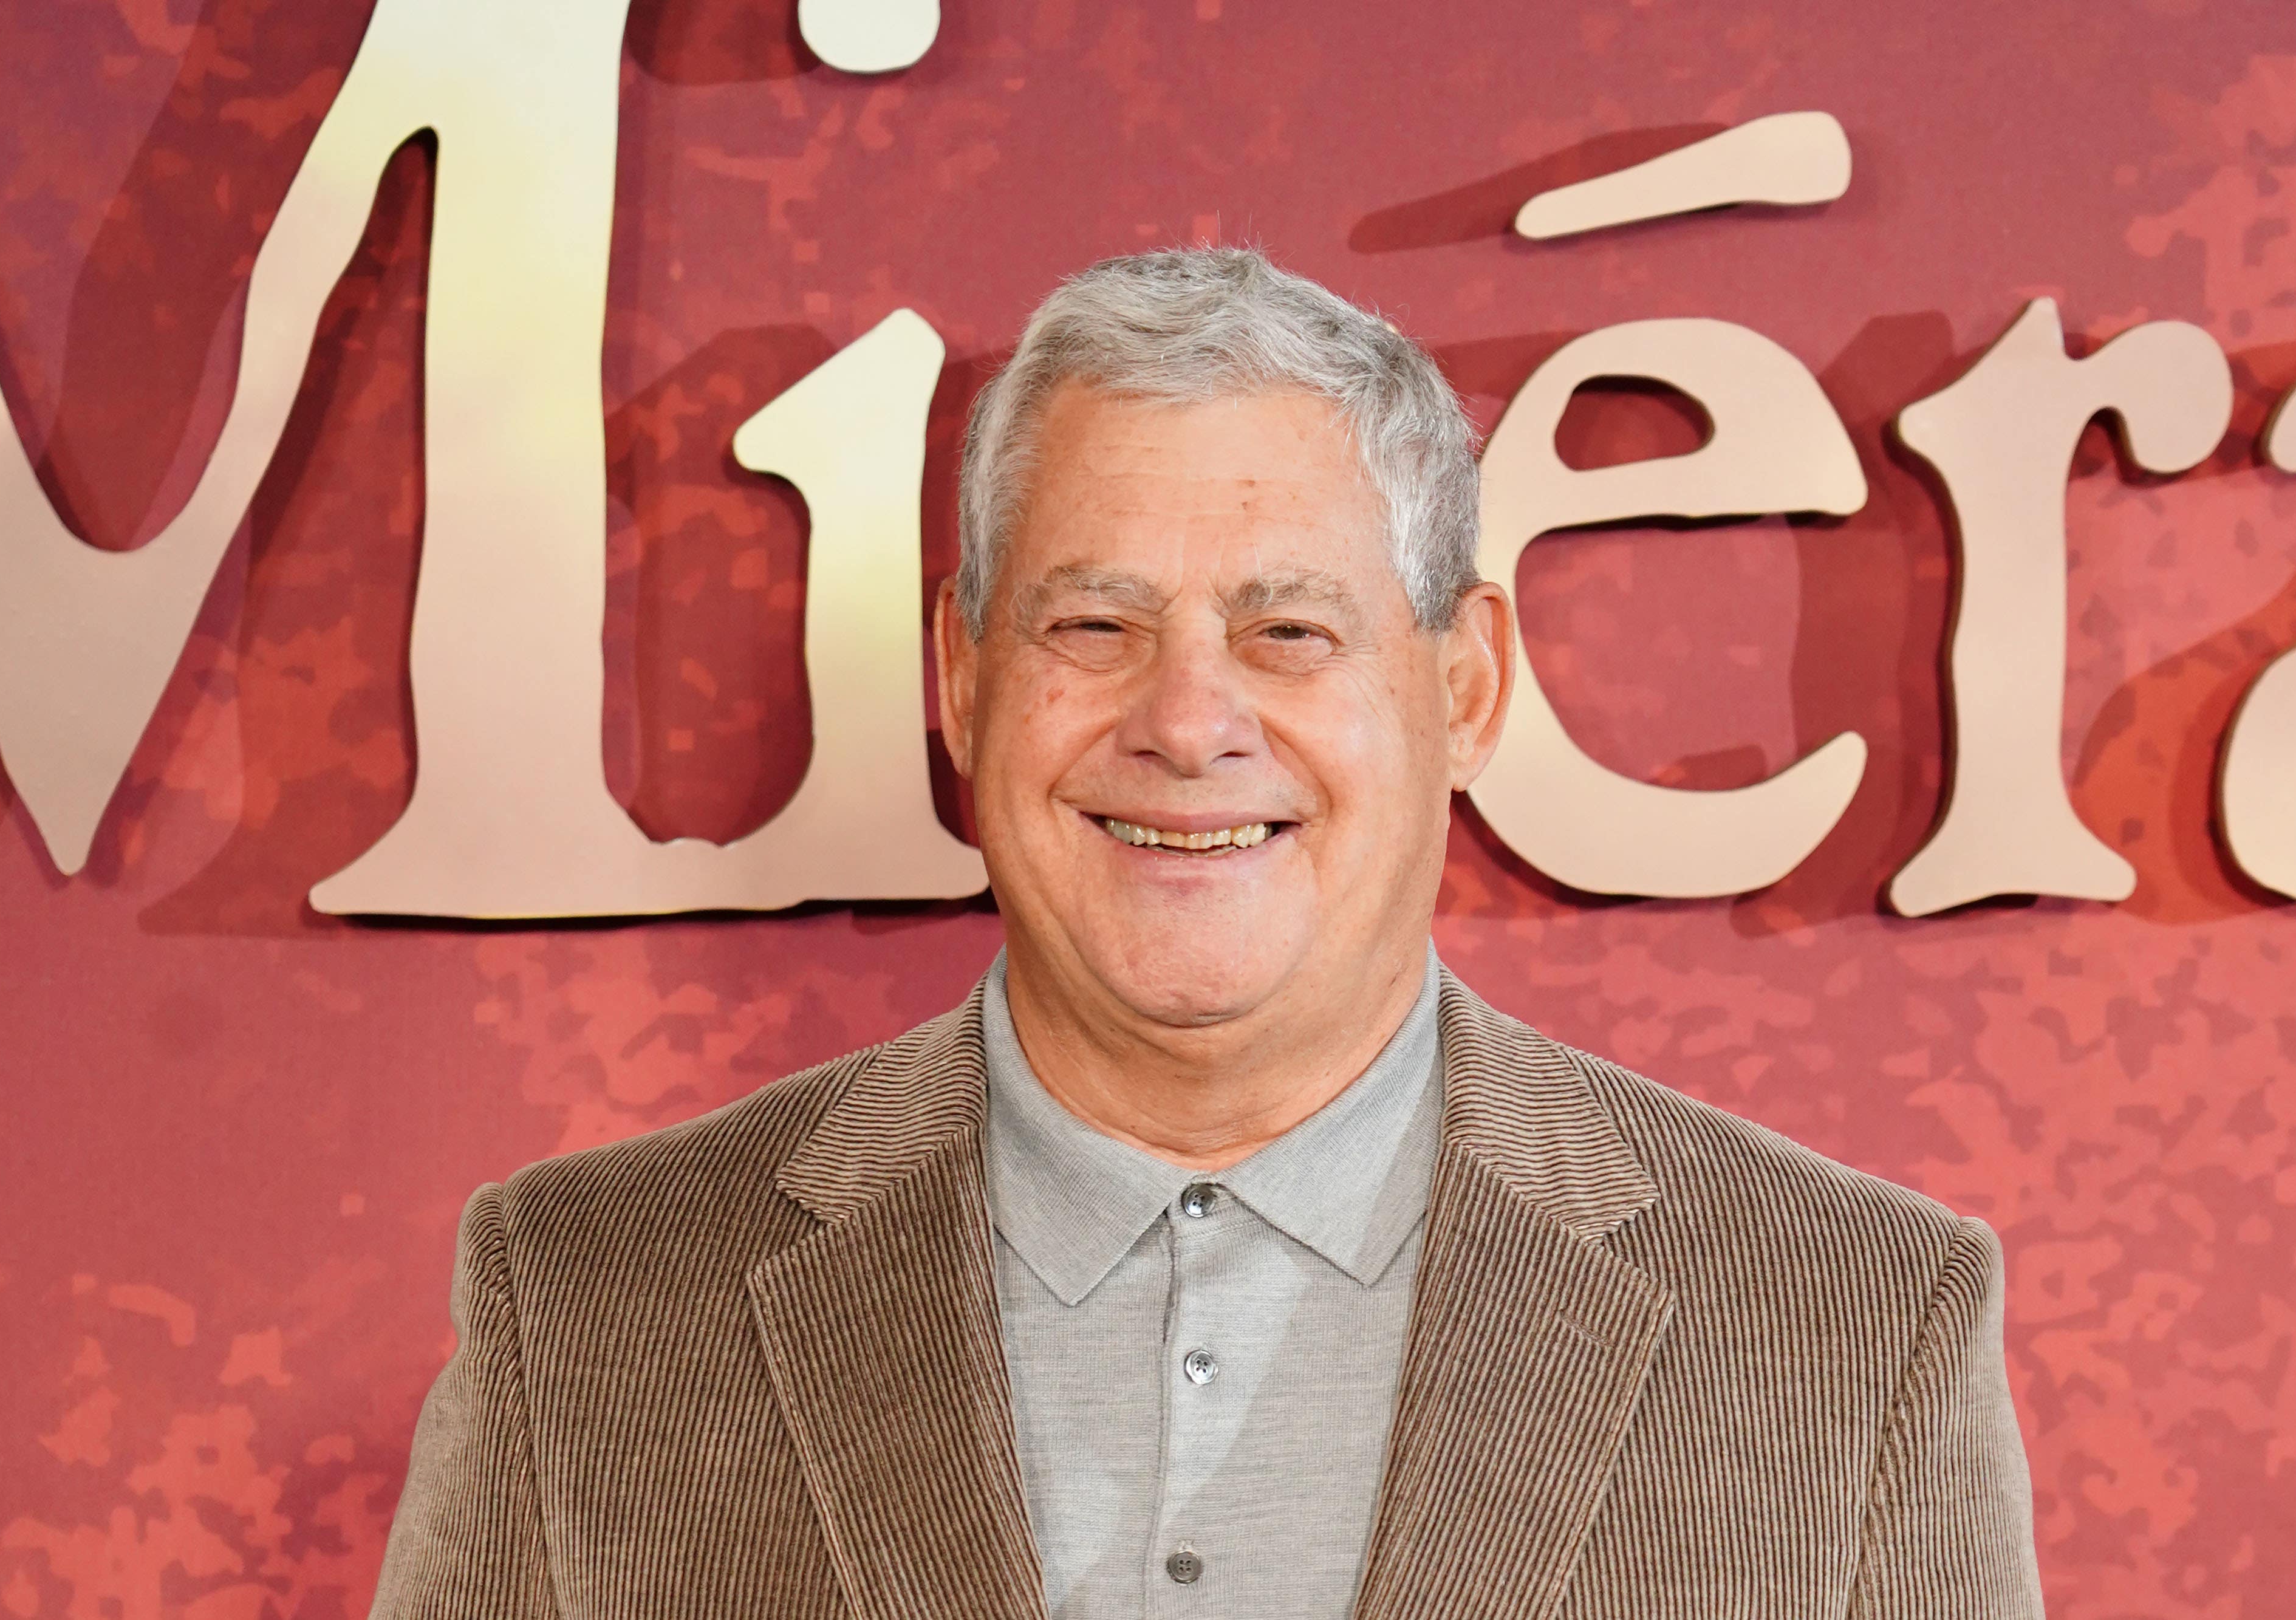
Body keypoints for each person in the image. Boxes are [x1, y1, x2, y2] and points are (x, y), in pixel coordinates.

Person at [367, 247, 2046, 1619]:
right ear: (962, 679)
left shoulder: (1851, 1333)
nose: (1188, 720)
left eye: (1289, 628)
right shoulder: (584, 1313)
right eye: (1093, 623)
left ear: (1462, 689)